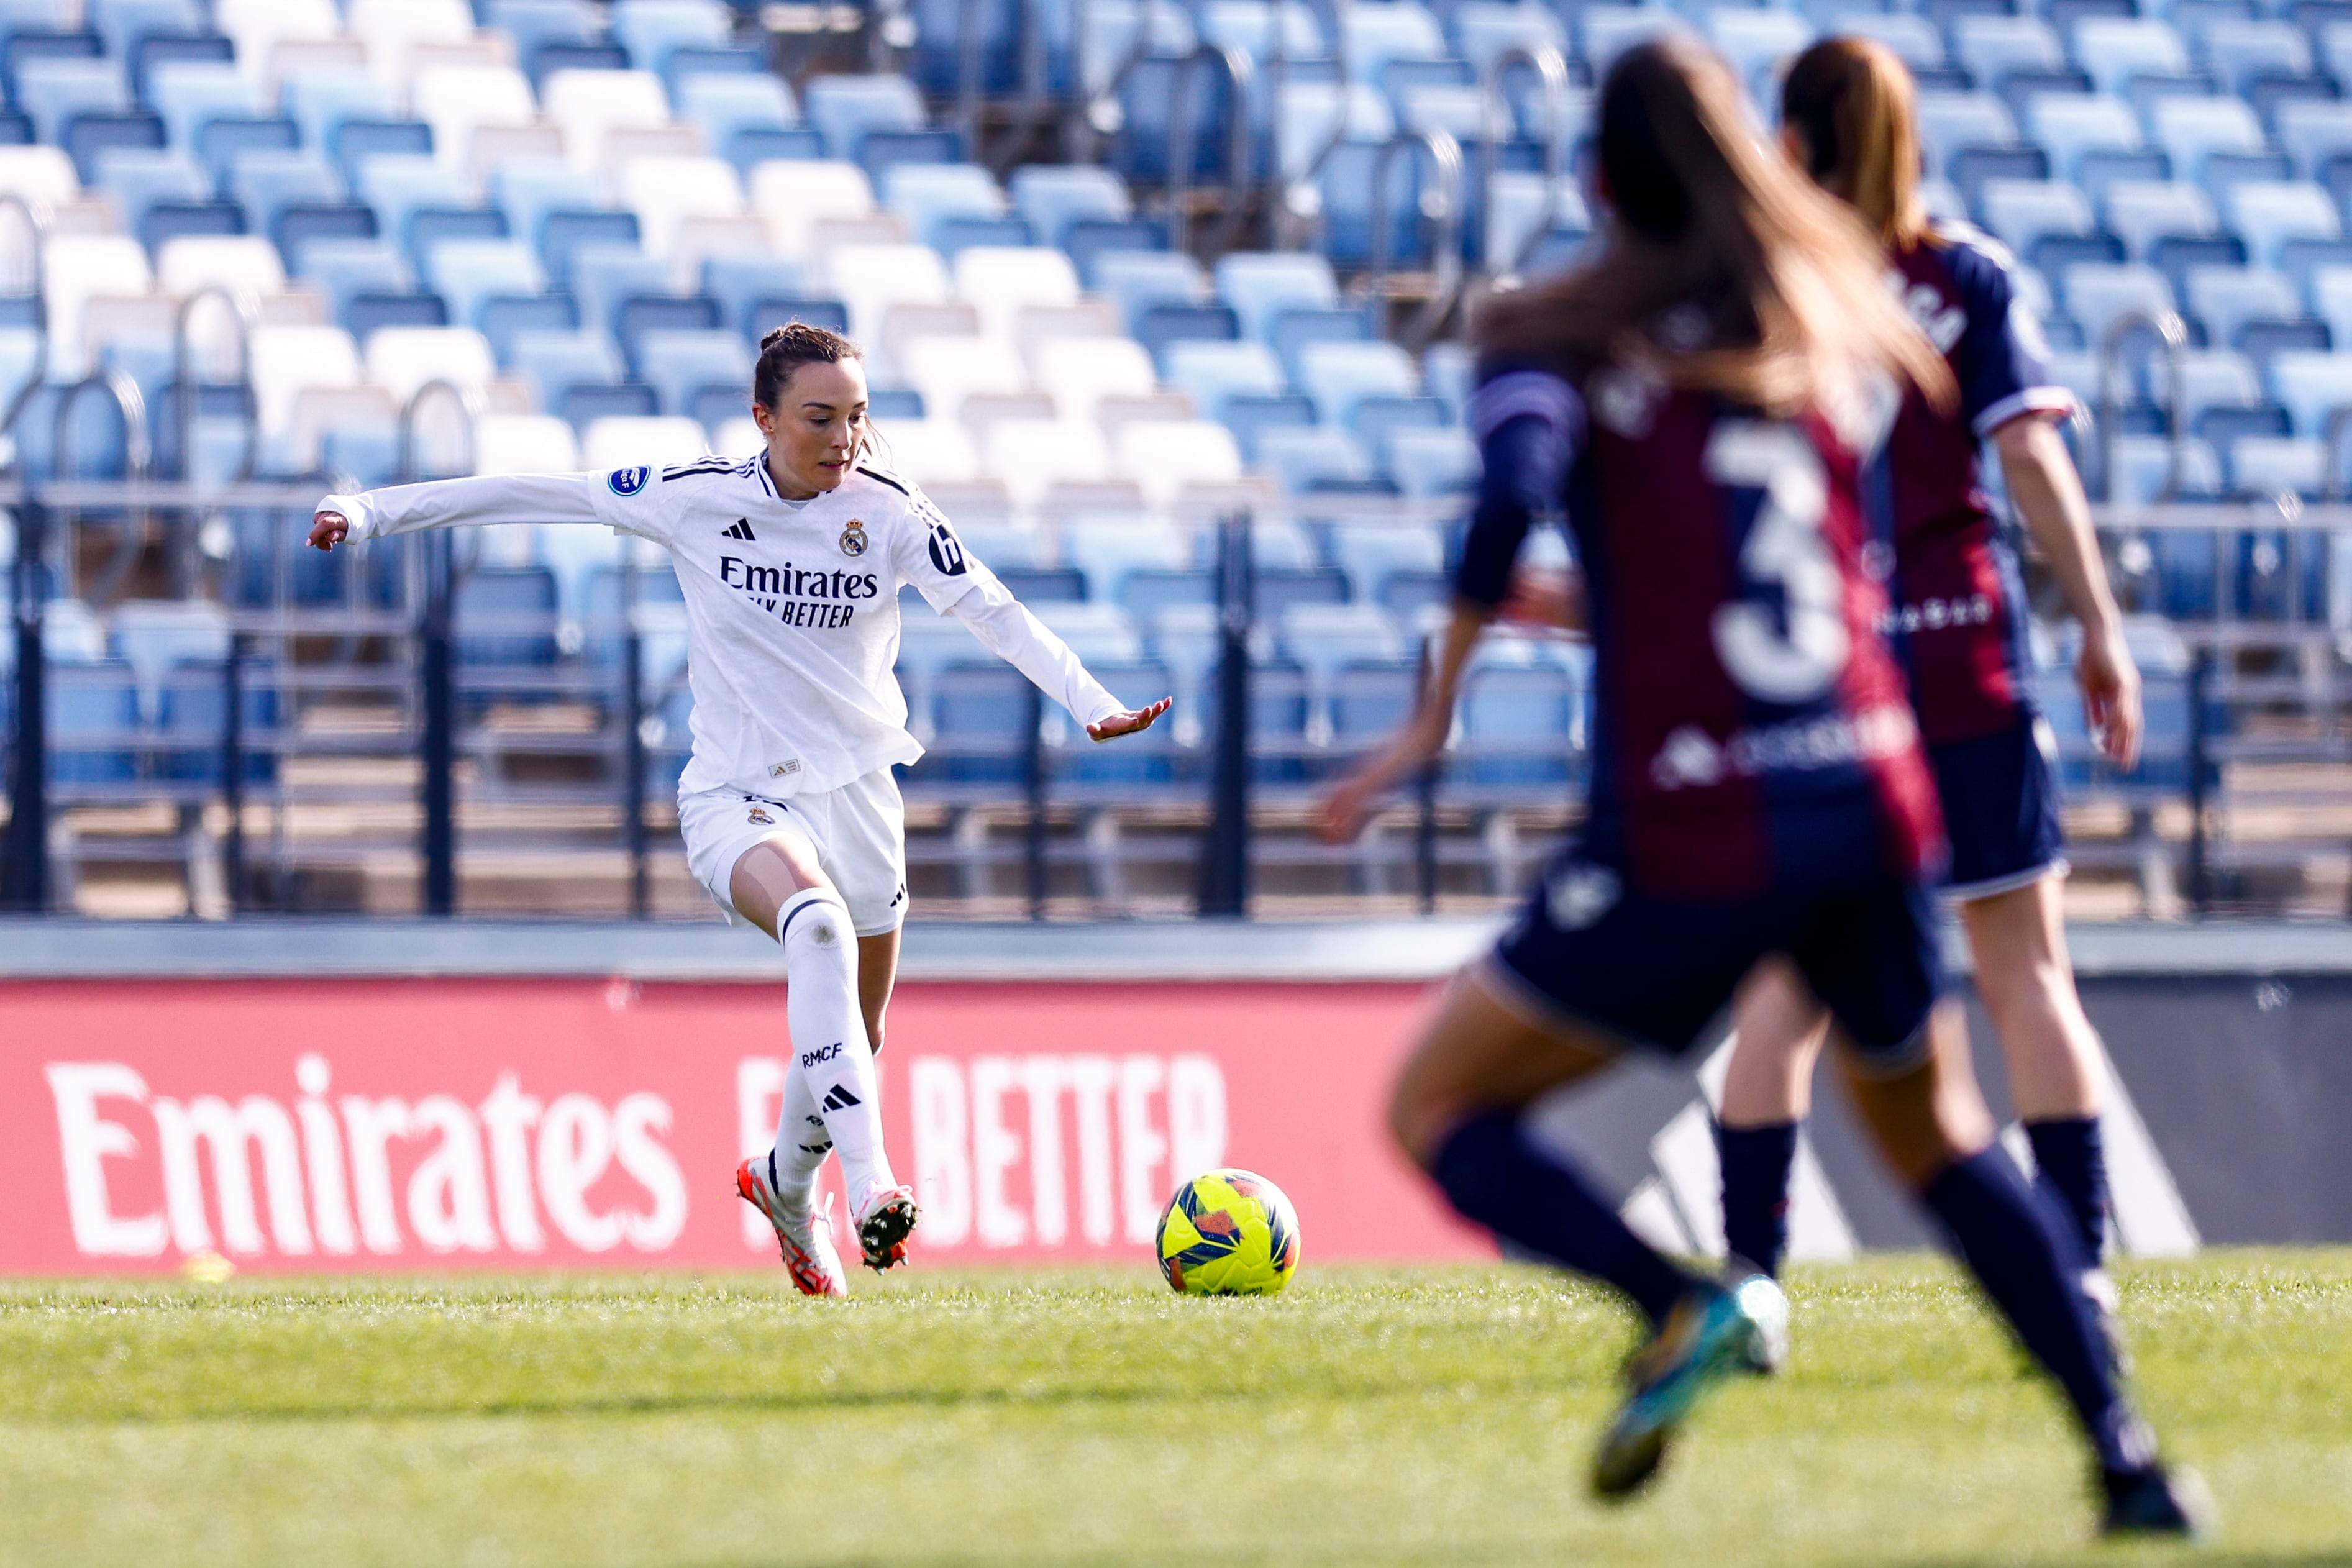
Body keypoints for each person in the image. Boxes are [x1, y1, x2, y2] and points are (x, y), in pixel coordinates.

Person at [1319, 38, 2202, 1534]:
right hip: (1869, 786)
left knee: (1434, 1103)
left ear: (1596, 180)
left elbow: (1510, 502)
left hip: (1693, 814)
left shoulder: (1555, 326)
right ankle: (2127, 1459)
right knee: (1937, 1133)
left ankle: (1680, 1301)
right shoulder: (1826, 318)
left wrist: (1430, 717)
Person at [308, 322, 1170, 1297]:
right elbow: (538, 492)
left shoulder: (887, 512)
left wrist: (1091, 703)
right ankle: (871, 1182)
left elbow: (991, 606)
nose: (843, 438)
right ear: (763, 419)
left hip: (857, 795)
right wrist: (371, 512)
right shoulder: (695, 498)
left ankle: (782, 1185)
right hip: (737, 795)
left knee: (857, 1028)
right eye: (819, 418)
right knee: (816, 929)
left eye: (855, 417)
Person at [1709, 37, 2142, 1302]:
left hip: (1826, 683)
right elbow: (2033, 463)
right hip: (1967, 667)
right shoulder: (1966, 279)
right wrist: (2099, 624)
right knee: (2026, 973)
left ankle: (1753, 1281)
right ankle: (2082, 1261)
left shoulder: (1764, 291)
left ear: (1789, 145)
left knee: (1785, 996)